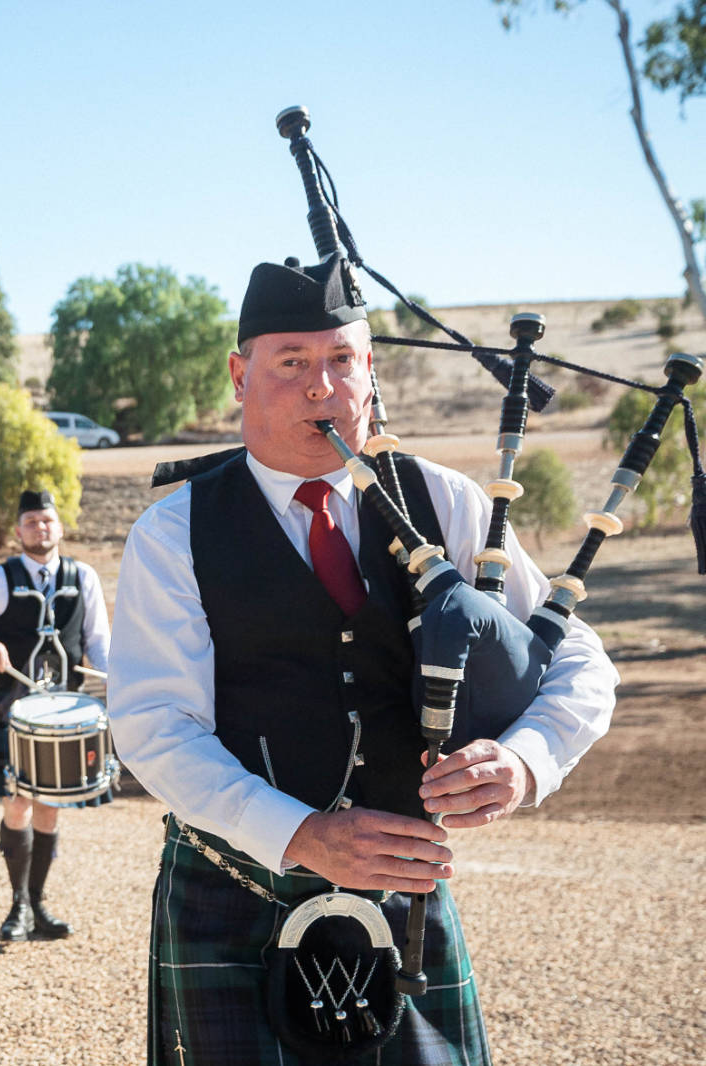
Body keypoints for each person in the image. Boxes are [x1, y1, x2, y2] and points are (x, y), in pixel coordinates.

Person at [108, 255, 620, 1064]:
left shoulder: (444, 501)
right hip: (233, 897)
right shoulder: (175, 535)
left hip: (405, 909)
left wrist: (524, 763)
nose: (322, 387)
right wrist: (301, 833)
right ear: (241, 376)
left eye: (342, 360)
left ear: (371, 371)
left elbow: (573, 657)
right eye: (292, 363)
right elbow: (154, 728)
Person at [0, 489, 111, 942]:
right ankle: (17, 905)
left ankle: (38, 905)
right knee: (17, 804)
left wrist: (114, 675)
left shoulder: (85, 576)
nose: (41, 528)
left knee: (50, 810)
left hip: (65, 710)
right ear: (18, 531)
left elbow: (98, 642)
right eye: (32, 521)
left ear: (60, 527)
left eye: (48, 521)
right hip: (11, 708)